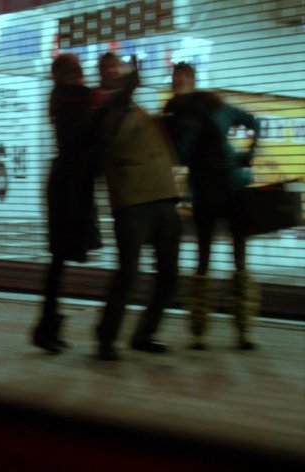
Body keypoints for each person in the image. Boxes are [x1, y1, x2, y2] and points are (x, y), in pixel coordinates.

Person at [163, 62, 261, 350]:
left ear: (192, 80)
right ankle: (200, 330)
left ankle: (241, 330)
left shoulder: (213, 105)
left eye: (183, 76)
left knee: (238, 260)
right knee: (204, 259)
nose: (177, 80)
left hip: (230, 187)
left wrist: (248, 156)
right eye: (175, 77)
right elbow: (178, 153)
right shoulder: (174, 112)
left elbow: (253, 122)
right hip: (207, 189)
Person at [92, 53, 182, 360]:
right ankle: (106, 338)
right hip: (133, 203)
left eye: (120, 69)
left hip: (163, 198)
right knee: (128, 273)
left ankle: (145, 333)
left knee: (169, 274)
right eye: (111, 70)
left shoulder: (137, 109)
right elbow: (108, 137)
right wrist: (126, 94)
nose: (117, 74)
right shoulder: (102, 108)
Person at [32, 54, 102, 353]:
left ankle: (48, 325)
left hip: (65, 183)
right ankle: (47, 327)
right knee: (60, 259)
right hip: (69, 187)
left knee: (58, 261)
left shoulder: (61, 98)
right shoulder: (72, 99)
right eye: (78, 74)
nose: (82, 78)